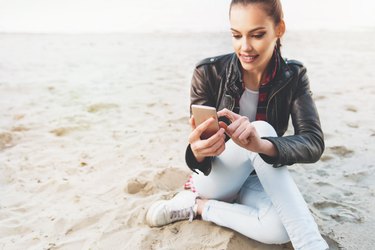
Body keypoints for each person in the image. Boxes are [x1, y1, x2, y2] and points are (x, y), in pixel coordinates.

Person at [146, 0, 329, 249]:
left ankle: (199, 207)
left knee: (279, 229)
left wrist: (262, 146)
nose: (245, 47)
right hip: (216, 177)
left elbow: (313, 142)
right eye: (236, 35)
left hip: (258, 178)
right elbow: (198, 153)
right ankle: (312, 245)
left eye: (257, 35)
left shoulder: (293, 76)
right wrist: (197, 152)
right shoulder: (208, 72)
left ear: (279, 29)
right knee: (262, 127)